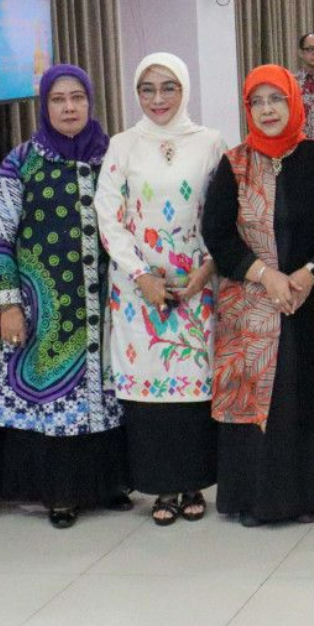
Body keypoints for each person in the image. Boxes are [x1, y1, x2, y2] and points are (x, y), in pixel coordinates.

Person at [204, 64, 314, 527]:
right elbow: (217, 232)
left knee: (310, 389)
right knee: (263, 396)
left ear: (293, 102)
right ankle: (257, 498)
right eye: (257, 101)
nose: (267, 109)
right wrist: (266, 276)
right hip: (252, 301)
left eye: (276, 99)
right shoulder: (234, 164)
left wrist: (307, 275)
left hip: (313, 299)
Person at [0, 65, 129, 529]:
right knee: (54, 402)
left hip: (108, 305)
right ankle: (60, 494)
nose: (69, 108)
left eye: (77, 98)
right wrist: (7, 304)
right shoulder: (21, 162)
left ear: (90, 102)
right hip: (45, 310)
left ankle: (109, 485)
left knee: (106, 396)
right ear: (44, 106)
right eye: (58, 99)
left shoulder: (112, 156)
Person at [95, 53, 224, 525]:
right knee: (149, 388)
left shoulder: (210, 142)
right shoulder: (123, 145)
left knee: (192, 386)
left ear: (184, 89)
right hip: (138, 291)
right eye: (147, 89)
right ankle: (161, 488)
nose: (158, 98)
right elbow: (108, 215)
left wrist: (206, 270)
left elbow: (222, 211)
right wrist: (141, 276)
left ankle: (193, 482)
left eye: (169, 87)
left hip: (195, 287)